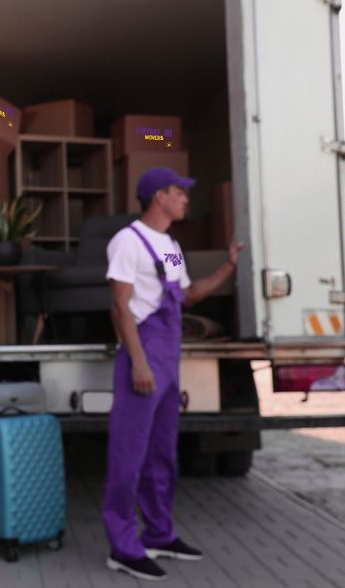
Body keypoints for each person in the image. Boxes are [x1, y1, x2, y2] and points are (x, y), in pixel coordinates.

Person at [101, 167, 245, 582]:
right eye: (179, 192)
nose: (186, 199)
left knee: (162, 453)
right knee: (129, 455)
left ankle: (159, 534)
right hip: (142, 358)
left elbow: (188, 295)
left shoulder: (172, 247)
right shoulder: (127, 241)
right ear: (158, 197)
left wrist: (228, 265)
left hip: (167, 359)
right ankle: (123, 548)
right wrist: (139, 362)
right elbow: (119, 307)